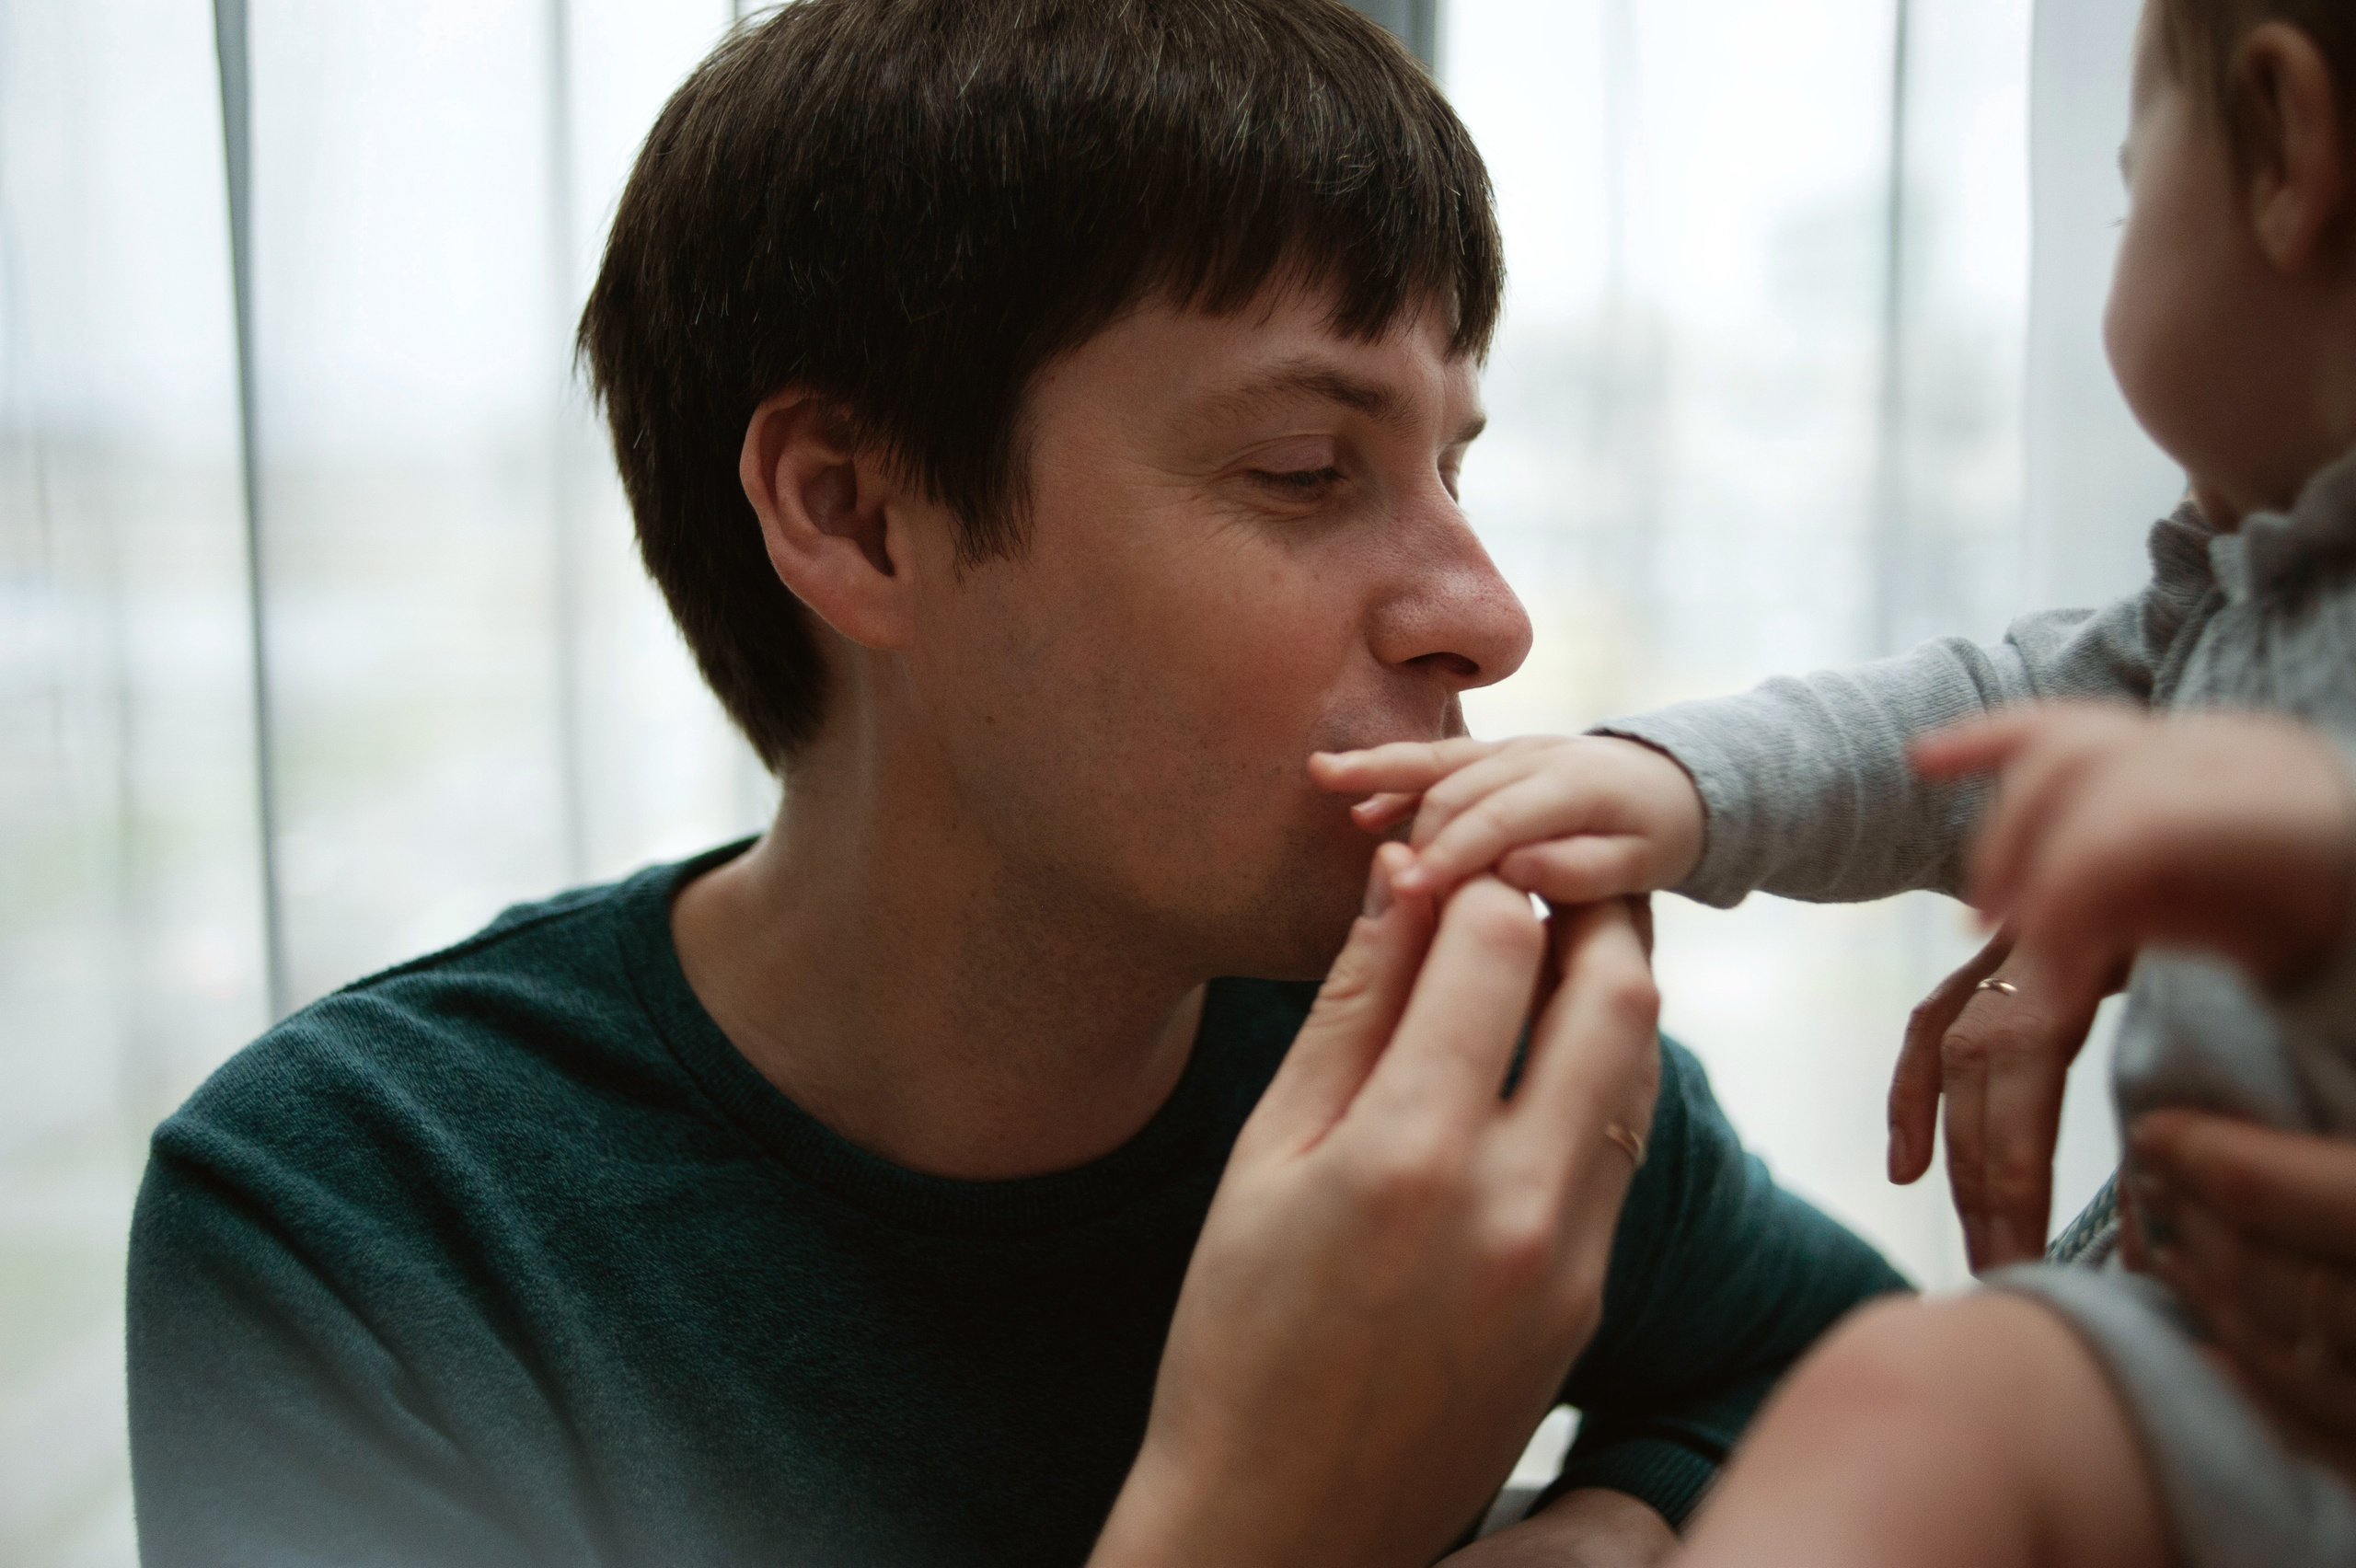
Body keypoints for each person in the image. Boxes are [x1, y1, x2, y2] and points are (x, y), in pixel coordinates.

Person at [122, 4, 1904, 1565]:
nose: (1486, 619)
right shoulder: (366, 1218)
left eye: (1447, 464)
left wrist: (1629, 1518)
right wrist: (1261, 1525)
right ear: (853, 513)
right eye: (1301, 467)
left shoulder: (1458, 1074)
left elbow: (1854, 1379)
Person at [1318, 0, 2356, 1561]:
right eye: (1299, 474)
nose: (1490, 621)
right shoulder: (2236, 602)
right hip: (2209, 1387)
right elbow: (1966, 731)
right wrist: (1670, 780)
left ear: (2285, 152)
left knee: (1924, 1398)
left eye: (2137, 193)